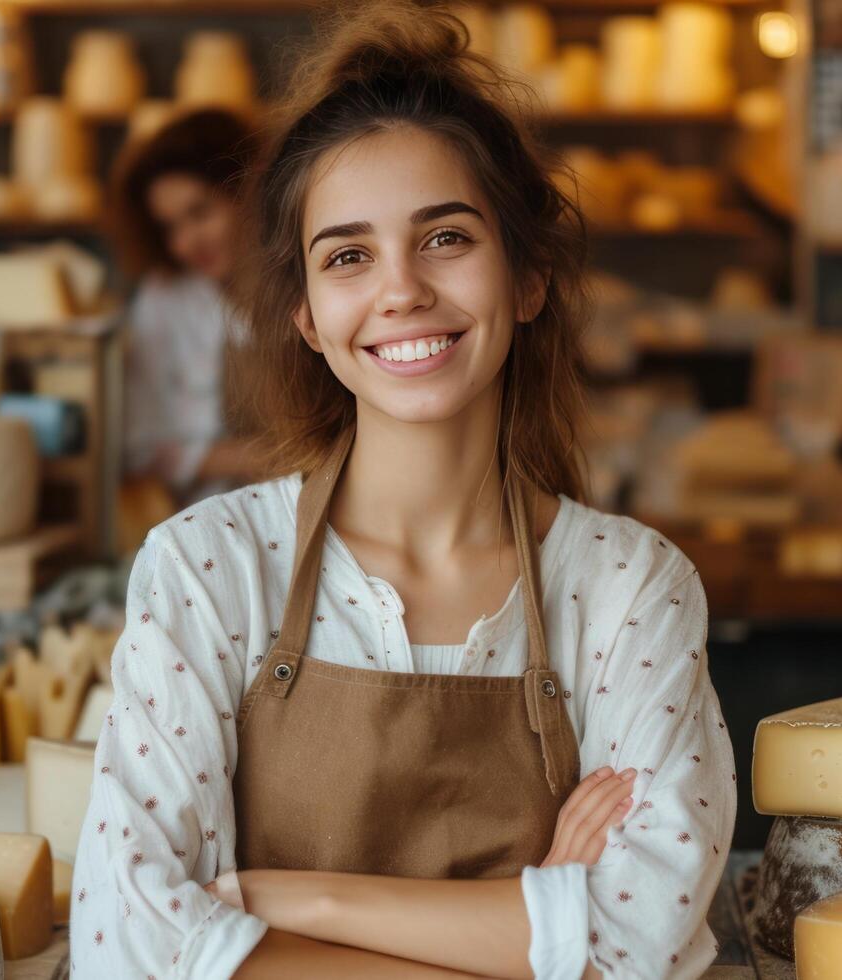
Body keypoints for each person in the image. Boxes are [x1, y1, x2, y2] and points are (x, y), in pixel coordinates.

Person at [72, 4, 737, 977]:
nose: (400, 292)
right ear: (303, 312)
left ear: (527, 276)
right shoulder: (206, 569)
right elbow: (126, 944)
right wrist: (531, 926)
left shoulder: (632, 586)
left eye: (447, 238)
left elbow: (642, 940)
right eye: (348, 255)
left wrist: (285, 900)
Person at [110, 107, 266, 511]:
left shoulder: (303, 283)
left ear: (248, 192)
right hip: (203, 520)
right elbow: (139, 451)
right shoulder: (165, 299)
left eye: (200, 213)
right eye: (170, 228)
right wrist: (259, 458)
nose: (186, 243)